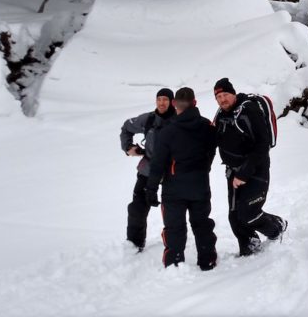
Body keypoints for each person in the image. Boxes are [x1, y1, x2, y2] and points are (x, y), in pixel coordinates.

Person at [213, 77, 288, 256]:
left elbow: (263, 145)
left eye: (225, 95)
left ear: (233, 93)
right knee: (234, 216)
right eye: (218, 97)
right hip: (233, 171)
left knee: (248, 213)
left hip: (256, 170)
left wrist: (244, 174)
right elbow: (213, 136)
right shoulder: (222, 114)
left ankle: (277, 227)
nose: (222, 100)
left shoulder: (248, 111)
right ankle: (250, 247)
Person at [145, 87, 218, 270]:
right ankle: (207, 260)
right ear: (194, 103)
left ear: (175, 104)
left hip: (174, 189)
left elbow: (158, 163)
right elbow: (211, 151)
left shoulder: (168, 131)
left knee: (174, 227)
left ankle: (174, 263)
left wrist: (151, 188)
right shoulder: (207, 126)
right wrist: (204, 169)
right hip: (200, 186)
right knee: (202, 224)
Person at [119, 88, 175, 251]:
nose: (161, 102)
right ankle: (134, 245)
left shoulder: (179, 119)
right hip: (148, 169)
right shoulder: (149, 119)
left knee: (173, 209)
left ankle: (174, 244)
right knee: (137, 208)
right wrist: (128, 147)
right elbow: (126, 128)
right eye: (159, 99)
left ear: (172, 101)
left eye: (165, 99)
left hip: (171, 171)